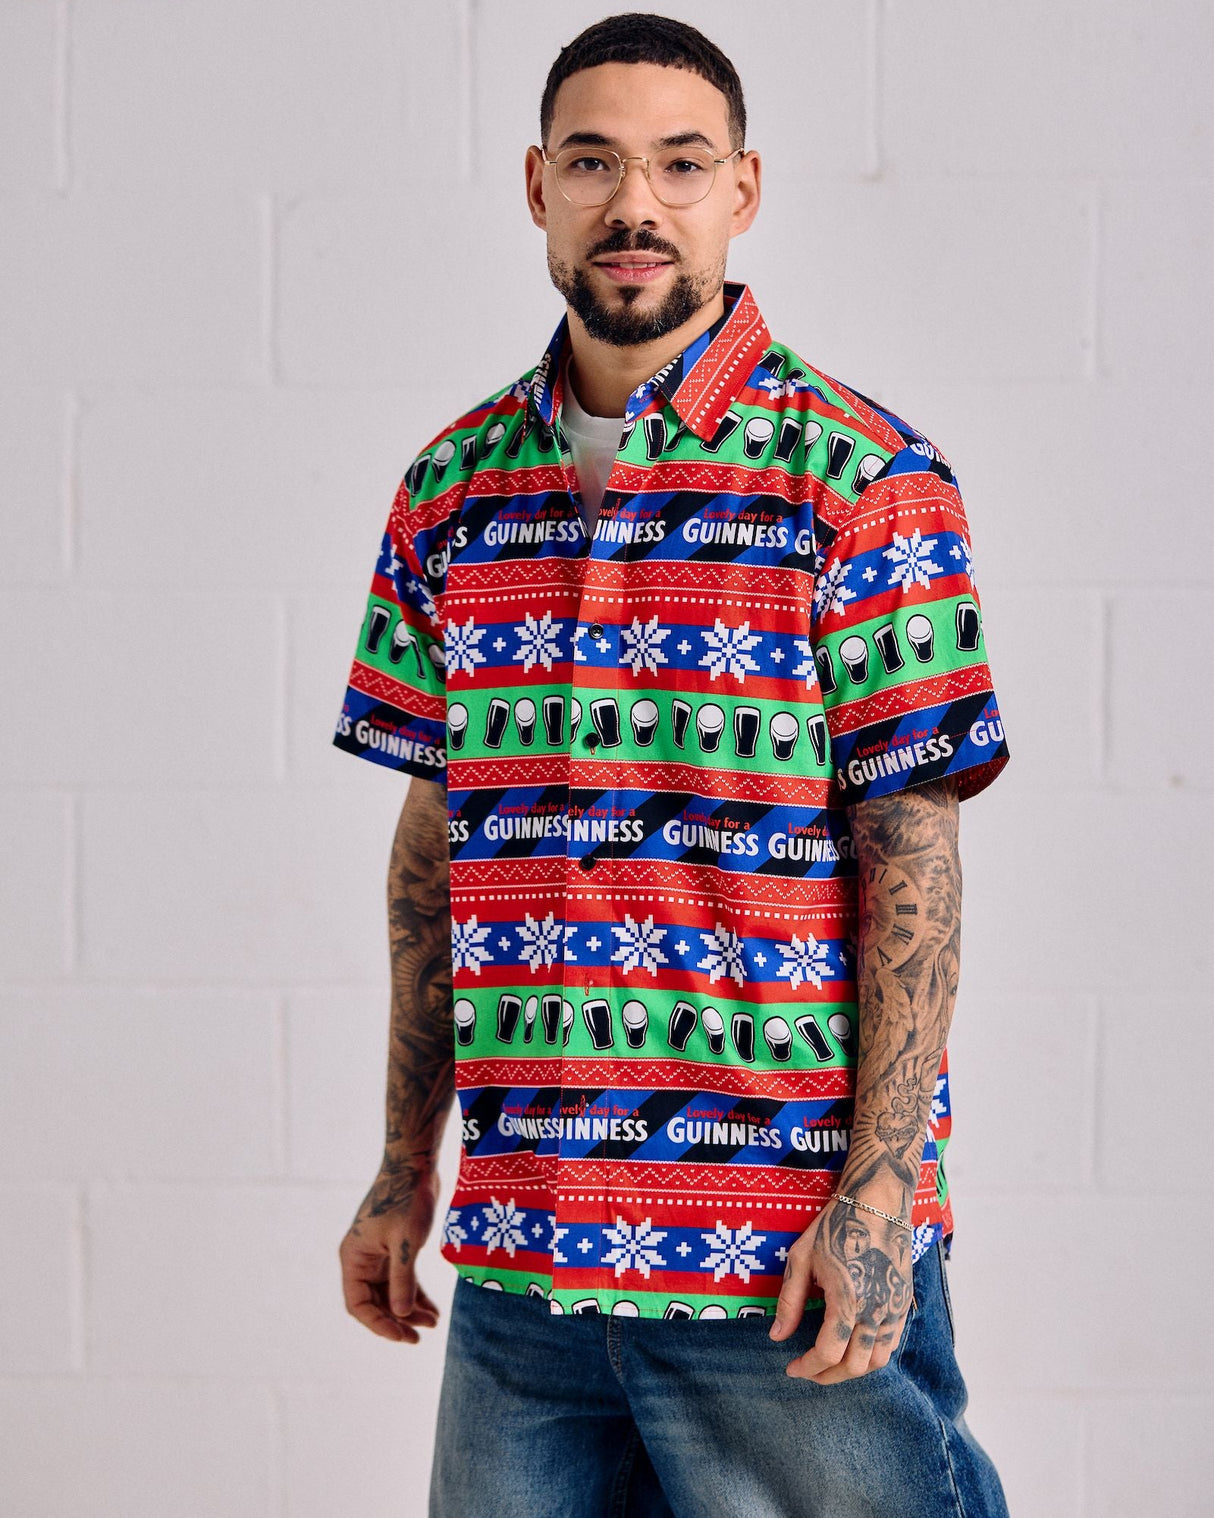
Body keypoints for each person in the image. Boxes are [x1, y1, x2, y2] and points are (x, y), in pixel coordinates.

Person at [334, 13, 1011, 1517]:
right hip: (522, 1251)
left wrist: (879, 1196)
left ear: (741, 190)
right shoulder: (450, 490)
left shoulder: (859, 477)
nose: (633, 201)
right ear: (535, 188)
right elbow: (436, 850)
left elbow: (913, 850)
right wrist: (403, 1164)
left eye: (678, 163)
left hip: (769, 1251)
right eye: (593, 161)